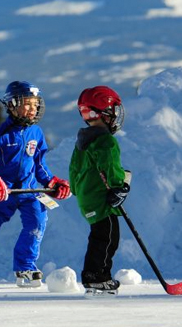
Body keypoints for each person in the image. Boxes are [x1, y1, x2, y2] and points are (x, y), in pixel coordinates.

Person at [0, 81, 71, 288]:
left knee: (36, 224)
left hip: (29, 191)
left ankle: (25, 267)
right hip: (3, 192)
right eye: (27, 104)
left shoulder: (36, 133)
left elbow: (39, 164)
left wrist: (52, 182)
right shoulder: (2, 136)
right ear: (12, 105)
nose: (33, 109)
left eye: (35, 104)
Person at [68, 86, 131, 296]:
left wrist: (78, 190)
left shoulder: (82, 139)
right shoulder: (106, 141)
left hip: (87, 199)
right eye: (113, 111)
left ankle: (96, 275)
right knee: (108, 237)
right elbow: (110, 167)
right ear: (106, 113)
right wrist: (119, 186)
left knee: (100, 236)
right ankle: (97, 277)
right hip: (102, 199)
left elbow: (74, 170)